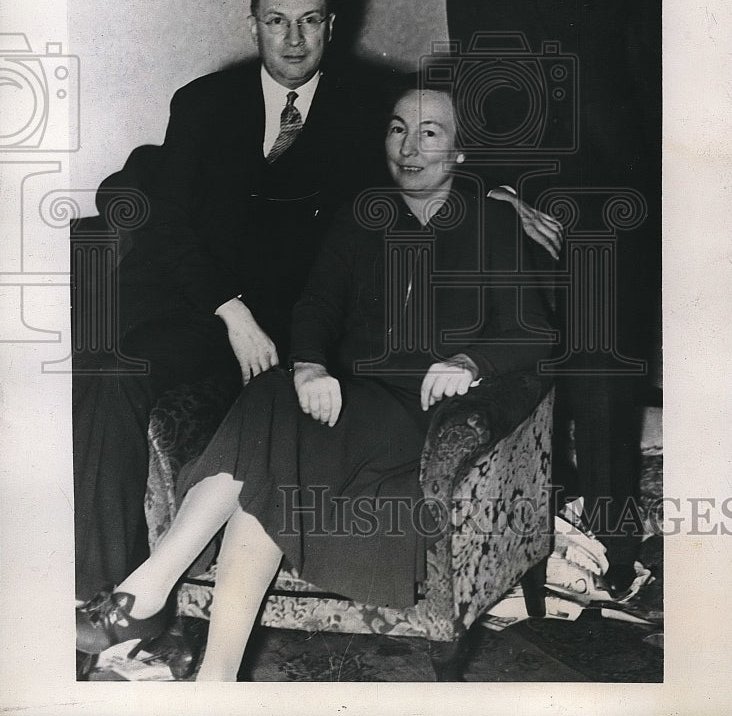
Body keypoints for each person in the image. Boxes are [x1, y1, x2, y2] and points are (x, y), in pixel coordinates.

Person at [75, 86, 555, 681]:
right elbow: (317, 307)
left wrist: (470, 362)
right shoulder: (363, 216)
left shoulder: (492, 226)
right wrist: (310, 364)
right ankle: (215, 681)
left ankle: (145, 592)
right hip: (346, 403)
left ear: (460, 153)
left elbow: (536, 334)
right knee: (270, 449)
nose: (408, 146)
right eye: (397, 129)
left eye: (430, 133)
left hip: (418, 419)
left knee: (269, 427)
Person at [72, 0, 387, 601]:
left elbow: (425, 176)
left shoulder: (370, 109)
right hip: (210, 317)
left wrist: (496, 198)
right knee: (109, 370)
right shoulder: (204, 105)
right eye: (277, 21)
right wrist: (230, 309)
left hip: (305, 333)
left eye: (309, 21)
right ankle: (109, 606)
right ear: (253, 26)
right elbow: (170, 226)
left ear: (332, 25)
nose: (294, 40)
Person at [446, 0, 661, 590]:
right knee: (521, 358)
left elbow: (656, 64)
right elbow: (474, 64)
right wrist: (501, 188)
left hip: (614, 185)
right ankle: (525, 542)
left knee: (604, 364)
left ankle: (610, 549)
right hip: (517, 186)